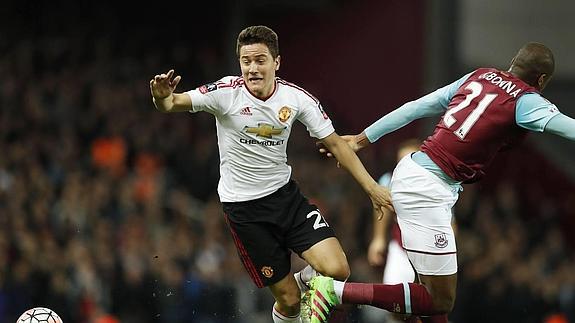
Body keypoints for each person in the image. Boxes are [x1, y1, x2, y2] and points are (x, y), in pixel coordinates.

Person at [308, 41, 575, 323]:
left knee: (431, 303)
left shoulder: (478, 75)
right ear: (541, 80)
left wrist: (362, 138)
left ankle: (337, 292)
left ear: (513, 62)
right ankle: (334, 291)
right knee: (440, 299)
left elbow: (416, 107)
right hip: (427, 189)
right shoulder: (526, 99)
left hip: (414, 171)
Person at [149, 25, 392, 323]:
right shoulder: (226, 93)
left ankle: (303, 282)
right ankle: (293, 298)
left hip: (285, 198)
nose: (252, 68)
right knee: (289, 303)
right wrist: (162, 97)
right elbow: (172, 102)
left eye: (260, 60)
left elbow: (336, 144)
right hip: (245, 211)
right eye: (246, 61)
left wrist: (371, 188)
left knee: (338, 269)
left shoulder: (296, 99)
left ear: (277, 62)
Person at [365, 139, 419, 323]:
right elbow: (382, 207)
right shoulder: (390, 180)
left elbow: (450, 223)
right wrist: (378, 239)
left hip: (428, 254)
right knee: (393, 305)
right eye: (401, 161)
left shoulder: (434, 186)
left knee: (427, 308)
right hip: (400, 250)